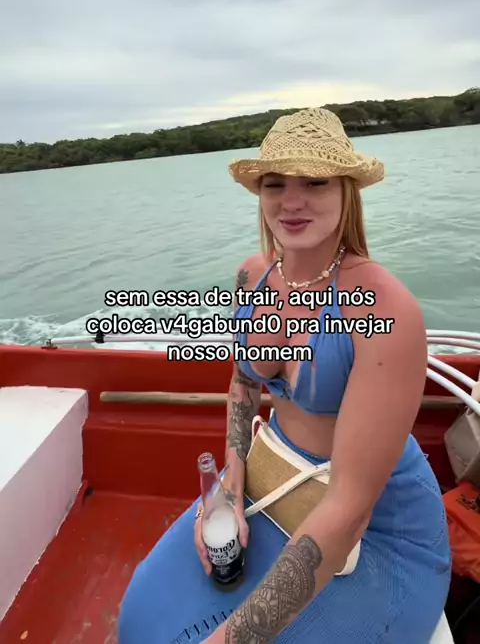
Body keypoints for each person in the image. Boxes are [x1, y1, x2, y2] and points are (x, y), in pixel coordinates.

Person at [117, 107, 451, 643]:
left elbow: (349, 509)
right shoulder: (252, 276)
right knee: (140, 617)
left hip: (376, 527)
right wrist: (231, 483)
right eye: (275, 184)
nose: (291, 201)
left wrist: (231, 640)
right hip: (273, 475)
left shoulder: (385, 310)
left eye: (314, 182)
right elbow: (243, 385)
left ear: (346, 191)